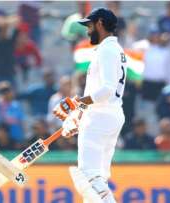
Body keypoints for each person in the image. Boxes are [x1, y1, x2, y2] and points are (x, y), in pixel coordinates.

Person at [53, 8, 126, 203]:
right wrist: (78, 114)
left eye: (90, 26)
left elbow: (106, 91)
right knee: (97, 179)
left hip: (100, 117)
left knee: (88, 176)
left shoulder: (107, 50)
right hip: (108, 115)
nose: (87, 31)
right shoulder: (113, 49)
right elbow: (96, 91)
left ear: (100, 24)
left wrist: (77, 103)